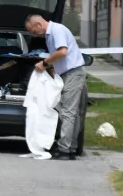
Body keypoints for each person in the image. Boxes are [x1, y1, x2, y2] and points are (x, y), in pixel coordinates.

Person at [24, 14, 87, 160]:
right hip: (67, 73)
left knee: (68, 112)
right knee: (73, 113)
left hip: (73, 73)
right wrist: (52, 68)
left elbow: (62, 52)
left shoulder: (56, 30)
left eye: (33, 31)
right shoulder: (50, 34)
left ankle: (65, 149)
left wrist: (45, 63)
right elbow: (60, 56)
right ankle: (71, 147)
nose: (34, 35)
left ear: (38, 24)